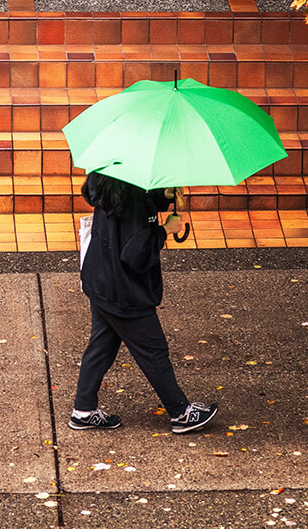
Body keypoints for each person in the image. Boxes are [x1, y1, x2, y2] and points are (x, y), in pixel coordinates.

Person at [70, 171, 218, 434]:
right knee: (154, 351)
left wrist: (163, 195)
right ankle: (180, 412)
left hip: (101, 278)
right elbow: (135, 254)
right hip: (125, 291)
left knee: (102, 346)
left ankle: (83, 410)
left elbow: (129, 212)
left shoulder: (108, 175)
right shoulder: (133, 193)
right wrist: (164, 230)